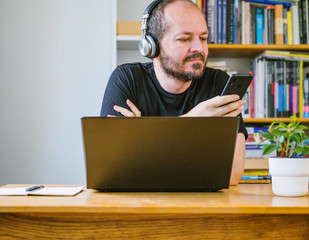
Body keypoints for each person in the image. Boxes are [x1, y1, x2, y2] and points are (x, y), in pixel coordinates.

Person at [100, 0, 247, 185]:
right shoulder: (127, 80)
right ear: (152, 45)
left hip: (202, 206)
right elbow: (112, 171)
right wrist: (193, 123)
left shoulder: (218, 84)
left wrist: (141, 145)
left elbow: (232, 174)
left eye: (203, 38)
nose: (199, 48)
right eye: (184, 39)